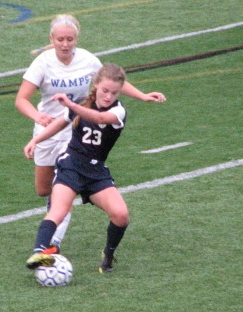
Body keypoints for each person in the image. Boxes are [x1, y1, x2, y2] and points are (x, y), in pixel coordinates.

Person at [15, 14, 166, 251]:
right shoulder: (42, 63)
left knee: (64, 185)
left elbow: (113, 82)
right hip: (48, 128)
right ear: (51, 39)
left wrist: (142, 95)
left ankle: (52, 242)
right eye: (61, 39)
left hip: (74, 127)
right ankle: (64, 203)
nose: (65, 44)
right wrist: (38, 118)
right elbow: (21, 100)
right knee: (43, 189)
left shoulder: (87, 60)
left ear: (77, 39)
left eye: (70, 39)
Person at [23, 63, 130, 273]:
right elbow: (59, 123)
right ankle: (40, 254)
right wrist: (35, 140)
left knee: (121, 215)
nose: (108, 96)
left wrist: (71, 105)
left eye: (114, 92)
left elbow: (99, 118)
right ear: (96, 85)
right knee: (58, 211)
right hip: (71, 166)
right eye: (105, 91)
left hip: (96, 172)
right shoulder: (82, 104)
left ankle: (108, 255)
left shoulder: (118, 111)